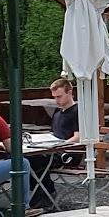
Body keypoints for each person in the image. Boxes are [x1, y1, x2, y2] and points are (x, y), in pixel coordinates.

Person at [28, 78, 80, 209]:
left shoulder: (78, 111)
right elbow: (54, 133)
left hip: (69, 153)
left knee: (36, 161)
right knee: (27, 159)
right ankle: (40, 193)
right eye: (54, 97)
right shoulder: (57, 111)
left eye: (59, 96)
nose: (57, 100)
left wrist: (60, 145)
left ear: (70, 92)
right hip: (53, 149)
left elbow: (78, 137)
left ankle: (46, 193)